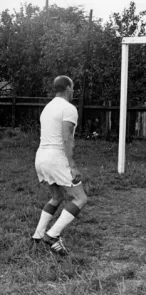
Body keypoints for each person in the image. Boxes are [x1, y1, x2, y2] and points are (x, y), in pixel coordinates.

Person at [32, 75, 88, 256]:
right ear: (68, 88)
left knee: (56, 197)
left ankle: (38, 236)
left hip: (41, 158)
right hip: (56, 158)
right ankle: (52, 235)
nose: (73, 91)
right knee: (80, 198)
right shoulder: (68, 108)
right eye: (73, 88)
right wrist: (72, 165)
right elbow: (66, 137)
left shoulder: (47, 108)